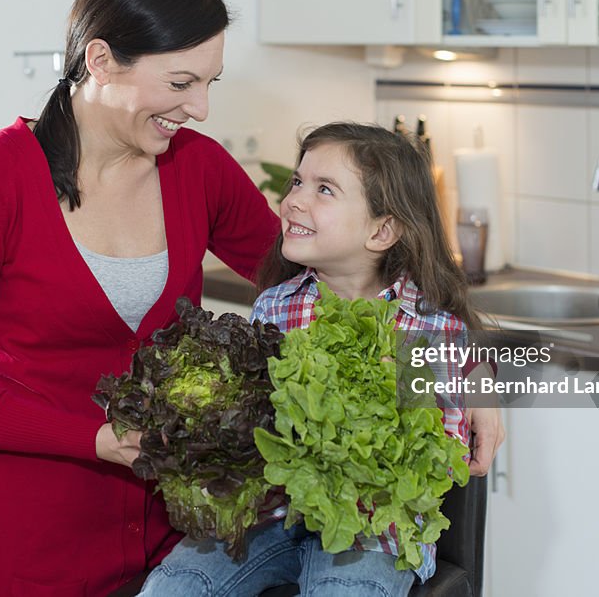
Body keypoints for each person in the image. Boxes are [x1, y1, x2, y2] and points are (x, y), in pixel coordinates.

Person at [0, 0, 279, 597]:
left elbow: (326, 277)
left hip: (165, 563)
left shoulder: (200, 170)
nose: (202, 108)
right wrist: (96, 437)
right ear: (100, 59)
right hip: (19, 564)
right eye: (182, 83)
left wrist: (468, 372)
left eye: (211, 83)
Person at [140, 122, 505, 597]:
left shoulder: (419, 328)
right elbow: (255, 419)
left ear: (382, 229)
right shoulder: (277, 306)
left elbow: (431, 451)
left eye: (324, 189)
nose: (293, 200)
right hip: (270, 517)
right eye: (297, 182)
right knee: (176, 585)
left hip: (373, 533)